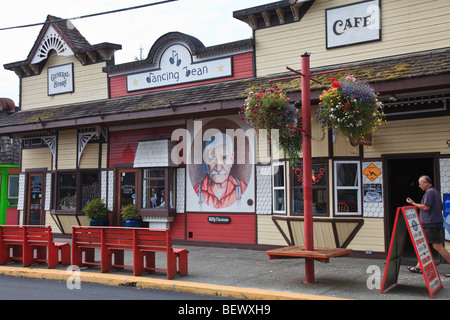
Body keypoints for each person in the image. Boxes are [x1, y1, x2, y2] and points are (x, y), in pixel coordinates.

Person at [406, 175, 450, 277]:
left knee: (437, 246)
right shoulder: (435, 192)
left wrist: (413, 203)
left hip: (430, 223)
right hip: (433, 222)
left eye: (420, 184)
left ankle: (419, 266)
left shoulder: (430, 192)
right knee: (423, 244)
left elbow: (426, 207)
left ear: (426, 183)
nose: (419, 186)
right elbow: (440, 206)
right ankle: (419, 266)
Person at [194, 133, 247, 209]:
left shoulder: (243, 189)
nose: (218, 168)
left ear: (231, 159)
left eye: (224, 158)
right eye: (212, 158)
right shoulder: (196, 191)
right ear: (206, 160)